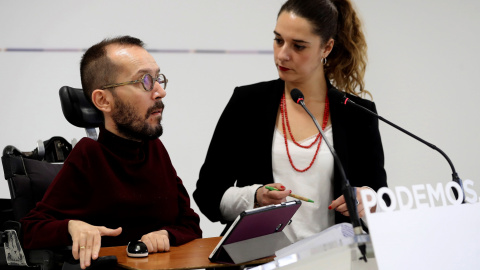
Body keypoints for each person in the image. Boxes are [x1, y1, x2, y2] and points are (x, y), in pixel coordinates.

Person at [194, 0, 387, 243]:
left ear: (326, 48)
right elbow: (207, 196)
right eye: (278, 40)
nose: (282, 54)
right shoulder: (247, 103)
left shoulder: (357, 114)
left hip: (334, 259)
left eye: (298, 46)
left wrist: (367, 200)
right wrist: (255, 196)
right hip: (258, 261)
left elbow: (380, 199)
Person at [20, 36, 202, 269]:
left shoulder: (154, 149)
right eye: (144, 81)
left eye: (157, 79)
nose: (159, 92)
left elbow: (190, 224)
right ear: (103, 100)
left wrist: (167, 235)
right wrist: (71, 226)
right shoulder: (89, 156)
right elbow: (31, 228)